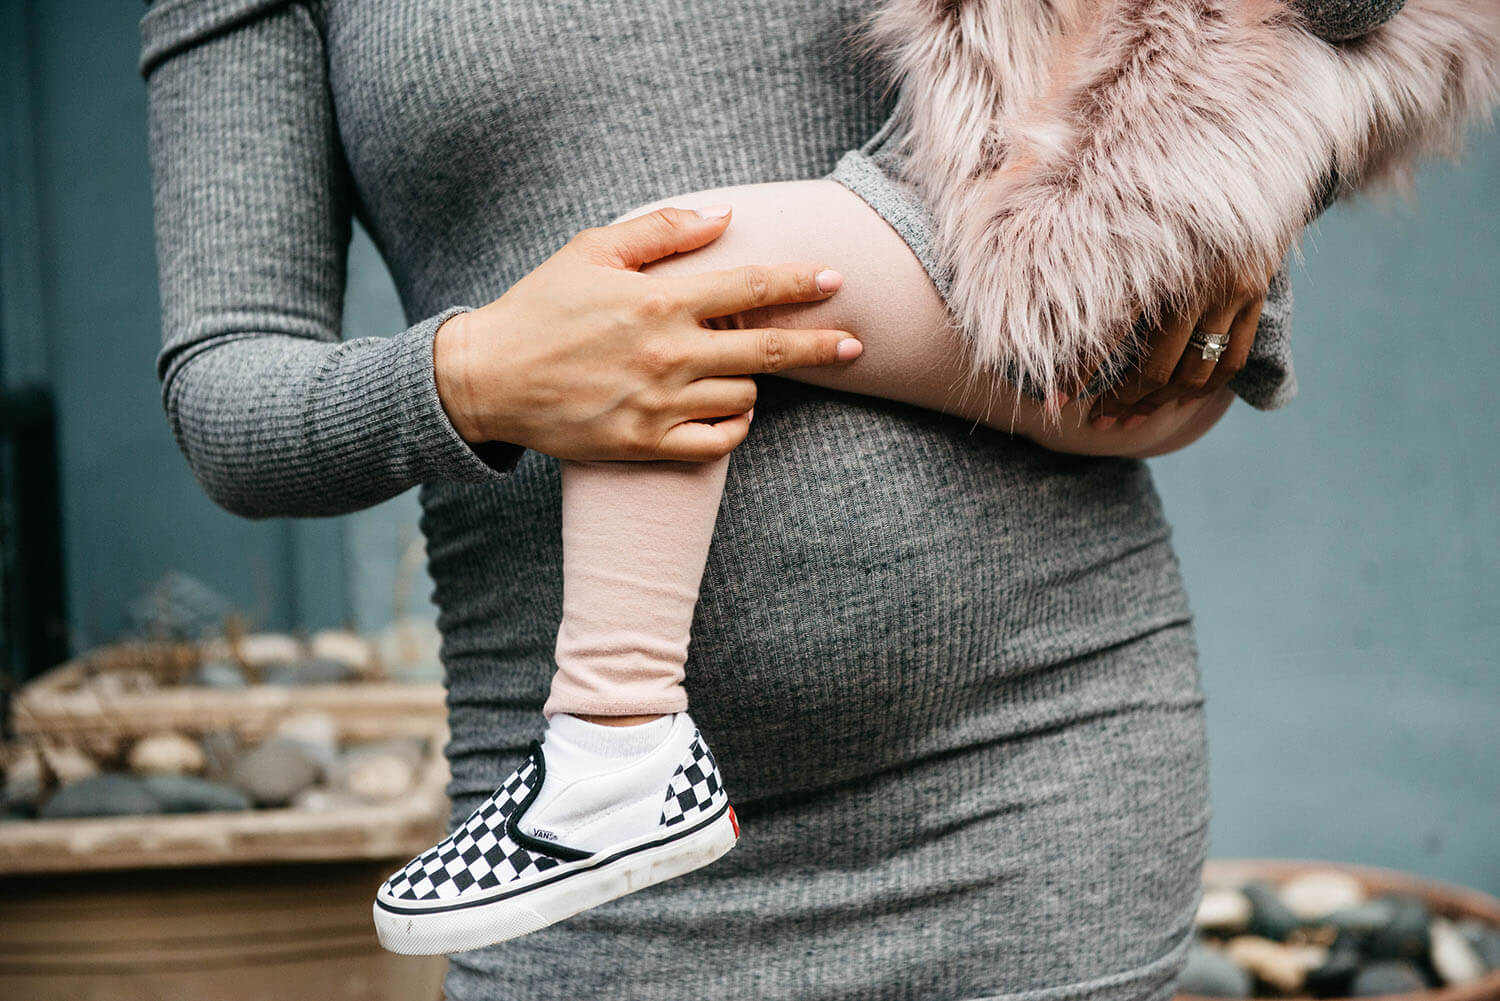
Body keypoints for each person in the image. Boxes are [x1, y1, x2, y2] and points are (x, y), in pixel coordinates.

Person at [140, 0, 1494, 997]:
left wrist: (1238, 202)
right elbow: (228, 395)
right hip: (606, 911)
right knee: (695, 266)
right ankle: (613, 750)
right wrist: (481, 372)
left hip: (1033, 791)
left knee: (721, 258)